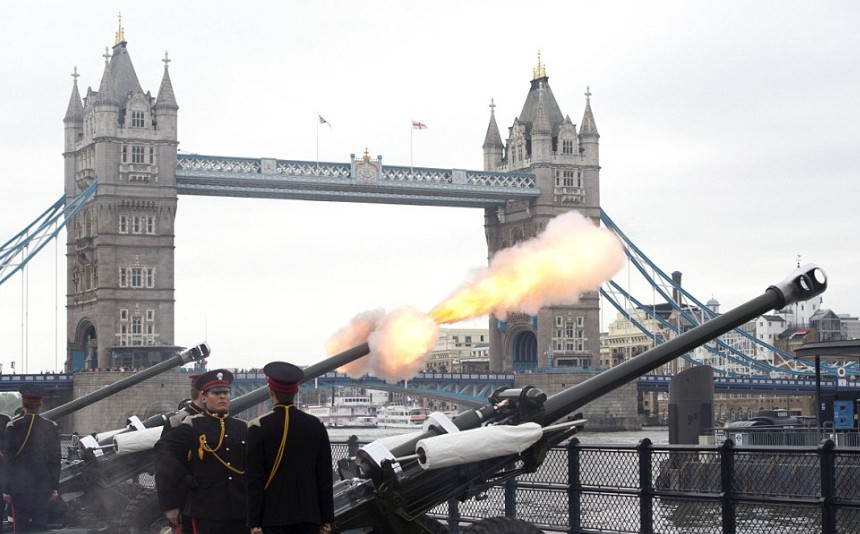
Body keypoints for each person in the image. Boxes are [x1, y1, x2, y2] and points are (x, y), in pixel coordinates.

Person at [154, 369, 247, 533]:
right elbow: (162, 451)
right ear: (204, 397)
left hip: (238, 511)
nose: (222, 396)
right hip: (206, 510)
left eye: (226, 392)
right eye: (216, 393)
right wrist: (183, 479)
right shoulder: (193, 426)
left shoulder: (241, 427)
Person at [246, 362, 334, 534]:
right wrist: (327, 518)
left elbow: (254, 479)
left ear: (271, 393)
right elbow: (324, 476)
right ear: (296, 392)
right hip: (309, 516)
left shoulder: (259, 427)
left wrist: (254, 521)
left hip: (273, 517)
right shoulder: (315, 425)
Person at [1, 384, 61, 533]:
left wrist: (6, 490)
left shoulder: (13, 426)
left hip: (19, 488)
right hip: (42, 487)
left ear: (23, 402)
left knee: (21, 528)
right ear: (40, 403)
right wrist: (54, 487)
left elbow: (8, 461)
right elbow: (55, 460)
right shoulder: (50, 426)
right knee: (40, 527)